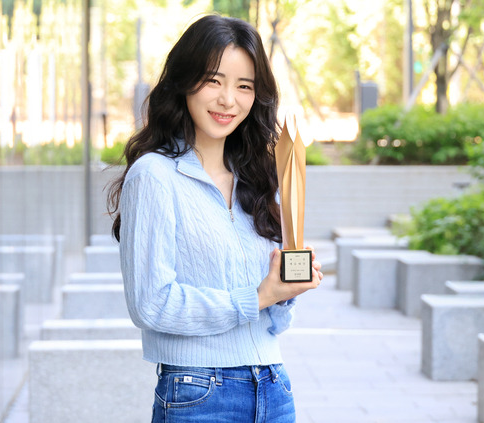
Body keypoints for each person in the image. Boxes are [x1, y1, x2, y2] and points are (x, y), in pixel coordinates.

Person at [107, 14, 323, 422]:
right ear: (184, 82)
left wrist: (286, 289)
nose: (229, 100)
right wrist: (258, 296)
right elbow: (151, 303)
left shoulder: (259, 179)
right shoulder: (154, 176)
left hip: (274, 387)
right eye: (214, 81)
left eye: (245, 86)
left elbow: (273, 321)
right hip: (198, 393)